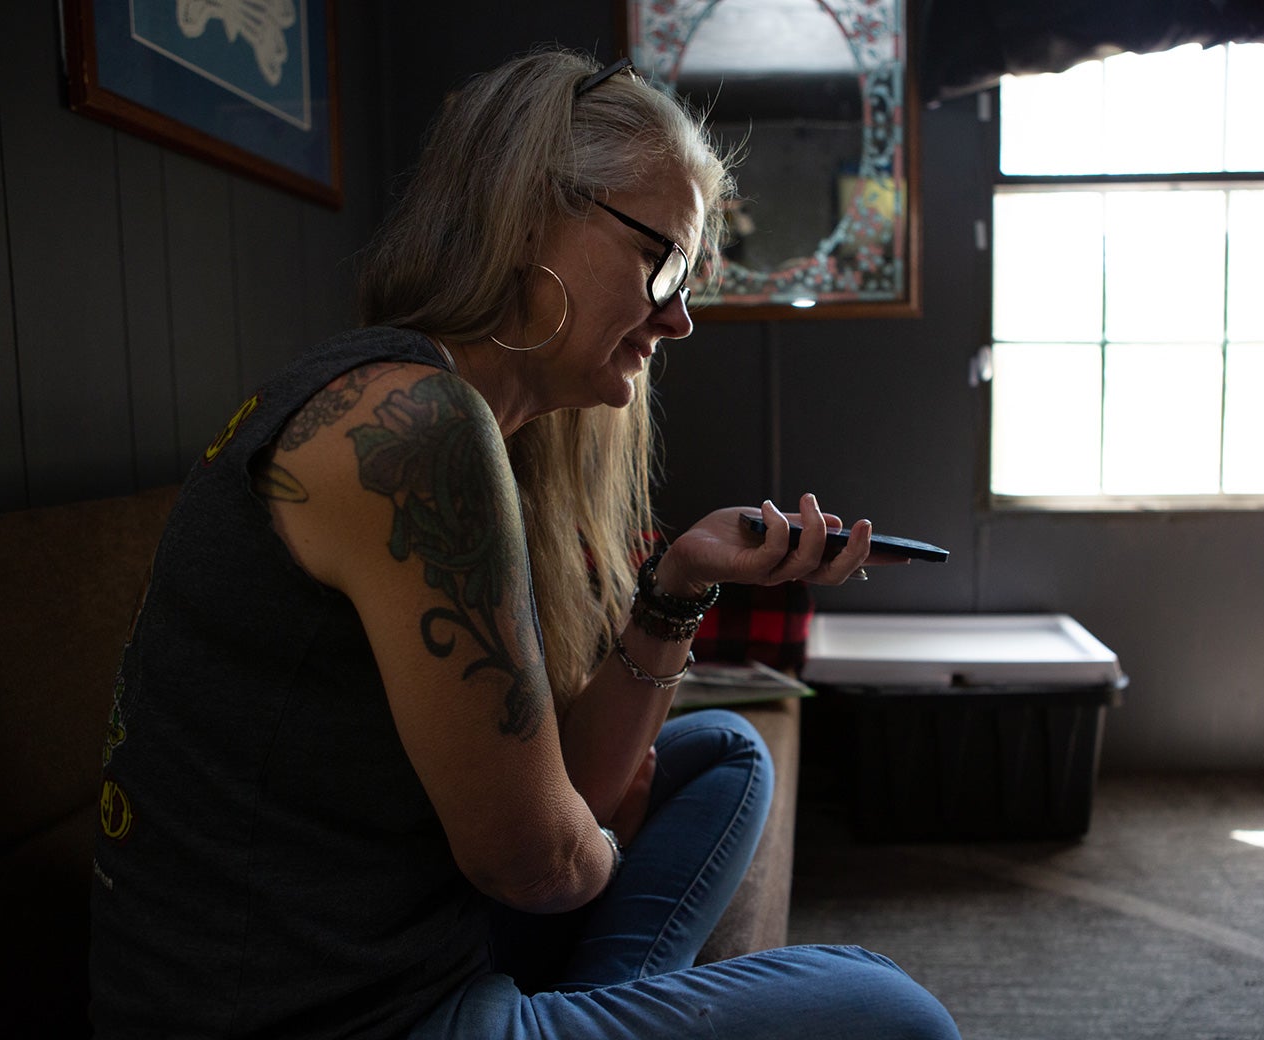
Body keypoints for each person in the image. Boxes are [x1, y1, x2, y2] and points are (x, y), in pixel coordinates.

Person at [89, 48, 959, 1040]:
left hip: (412, 943)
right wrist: (594, 850)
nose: (677, 317)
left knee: (726, 754)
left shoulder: (459, 421)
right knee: (893, 1013)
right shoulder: (413, 427)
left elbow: (559, 798)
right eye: (659, 260)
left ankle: (570, 1005)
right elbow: (536, 863)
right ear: (530, 210)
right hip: (326, 1017)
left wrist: (680, 579)